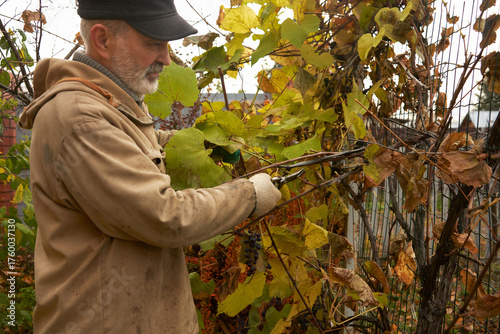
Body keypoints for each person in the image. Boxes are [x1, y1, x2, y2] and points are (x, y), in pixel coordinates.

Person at [18, 0, 282, 333]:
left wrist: (199, 145)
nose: (166, 58)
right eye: (153, 43)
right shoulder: (79, 118)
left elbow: (134, 145)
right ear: (102, 40)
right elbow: (164, 217)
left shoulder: (107, 103)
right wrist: (249, 196)